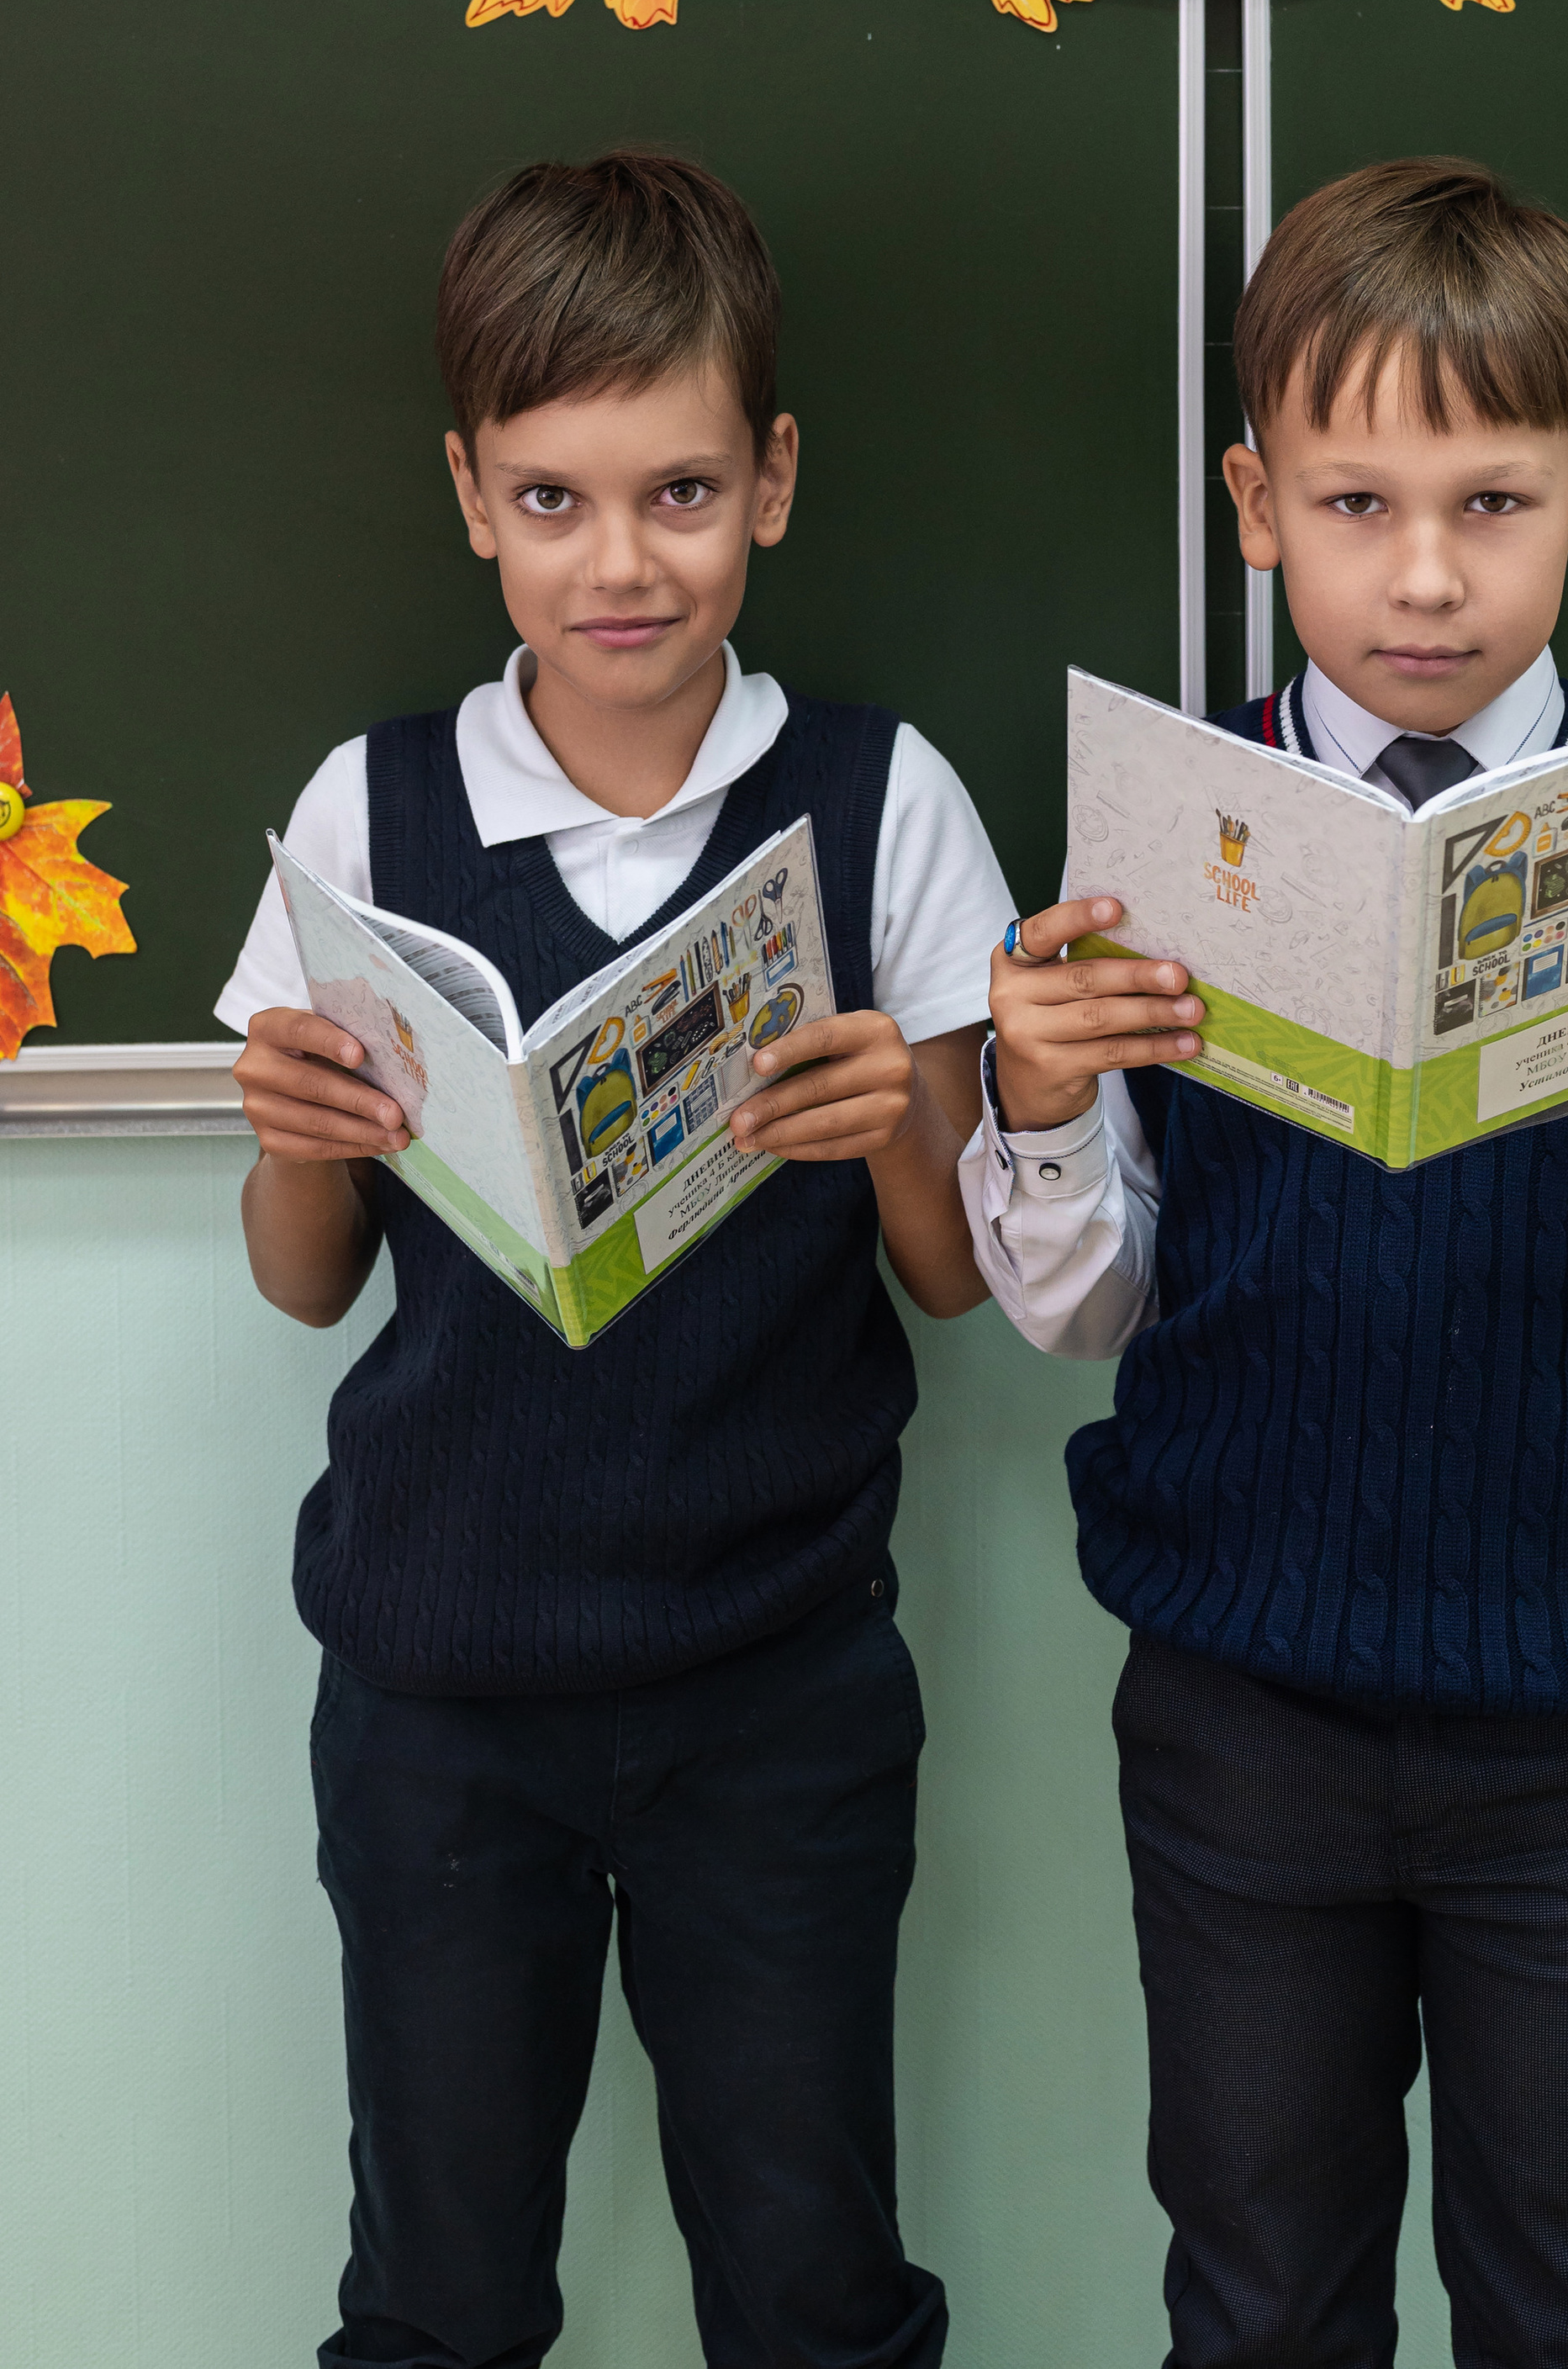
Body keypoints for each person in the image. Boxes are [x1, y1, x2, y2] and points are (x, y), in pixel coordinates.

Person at [962, 156, 1568, 2369]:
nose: (1421, 573)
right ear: (1253, 500)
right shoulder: (1156, 831)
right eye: (1359, 499)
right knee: (1263, 2299)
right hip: (1243, 1714)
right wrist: (1032, 1091)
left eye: (1487, 502)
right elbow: (1085, 1303)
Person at [219, 150, 1006, 2369]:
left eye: (676, 488)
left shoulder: (879, 800)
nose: (621, 559)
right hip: (441, 1692)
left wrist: (895, 1132)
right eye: (553, 498)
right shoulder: (370, 814)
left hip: (779, 1681)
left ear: (769, 474)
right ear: (470, 495)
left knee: (817, 2278)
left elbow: (953, 1279)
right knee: (444, 2287)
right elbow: (304, 1281)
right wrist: (292, 1139)